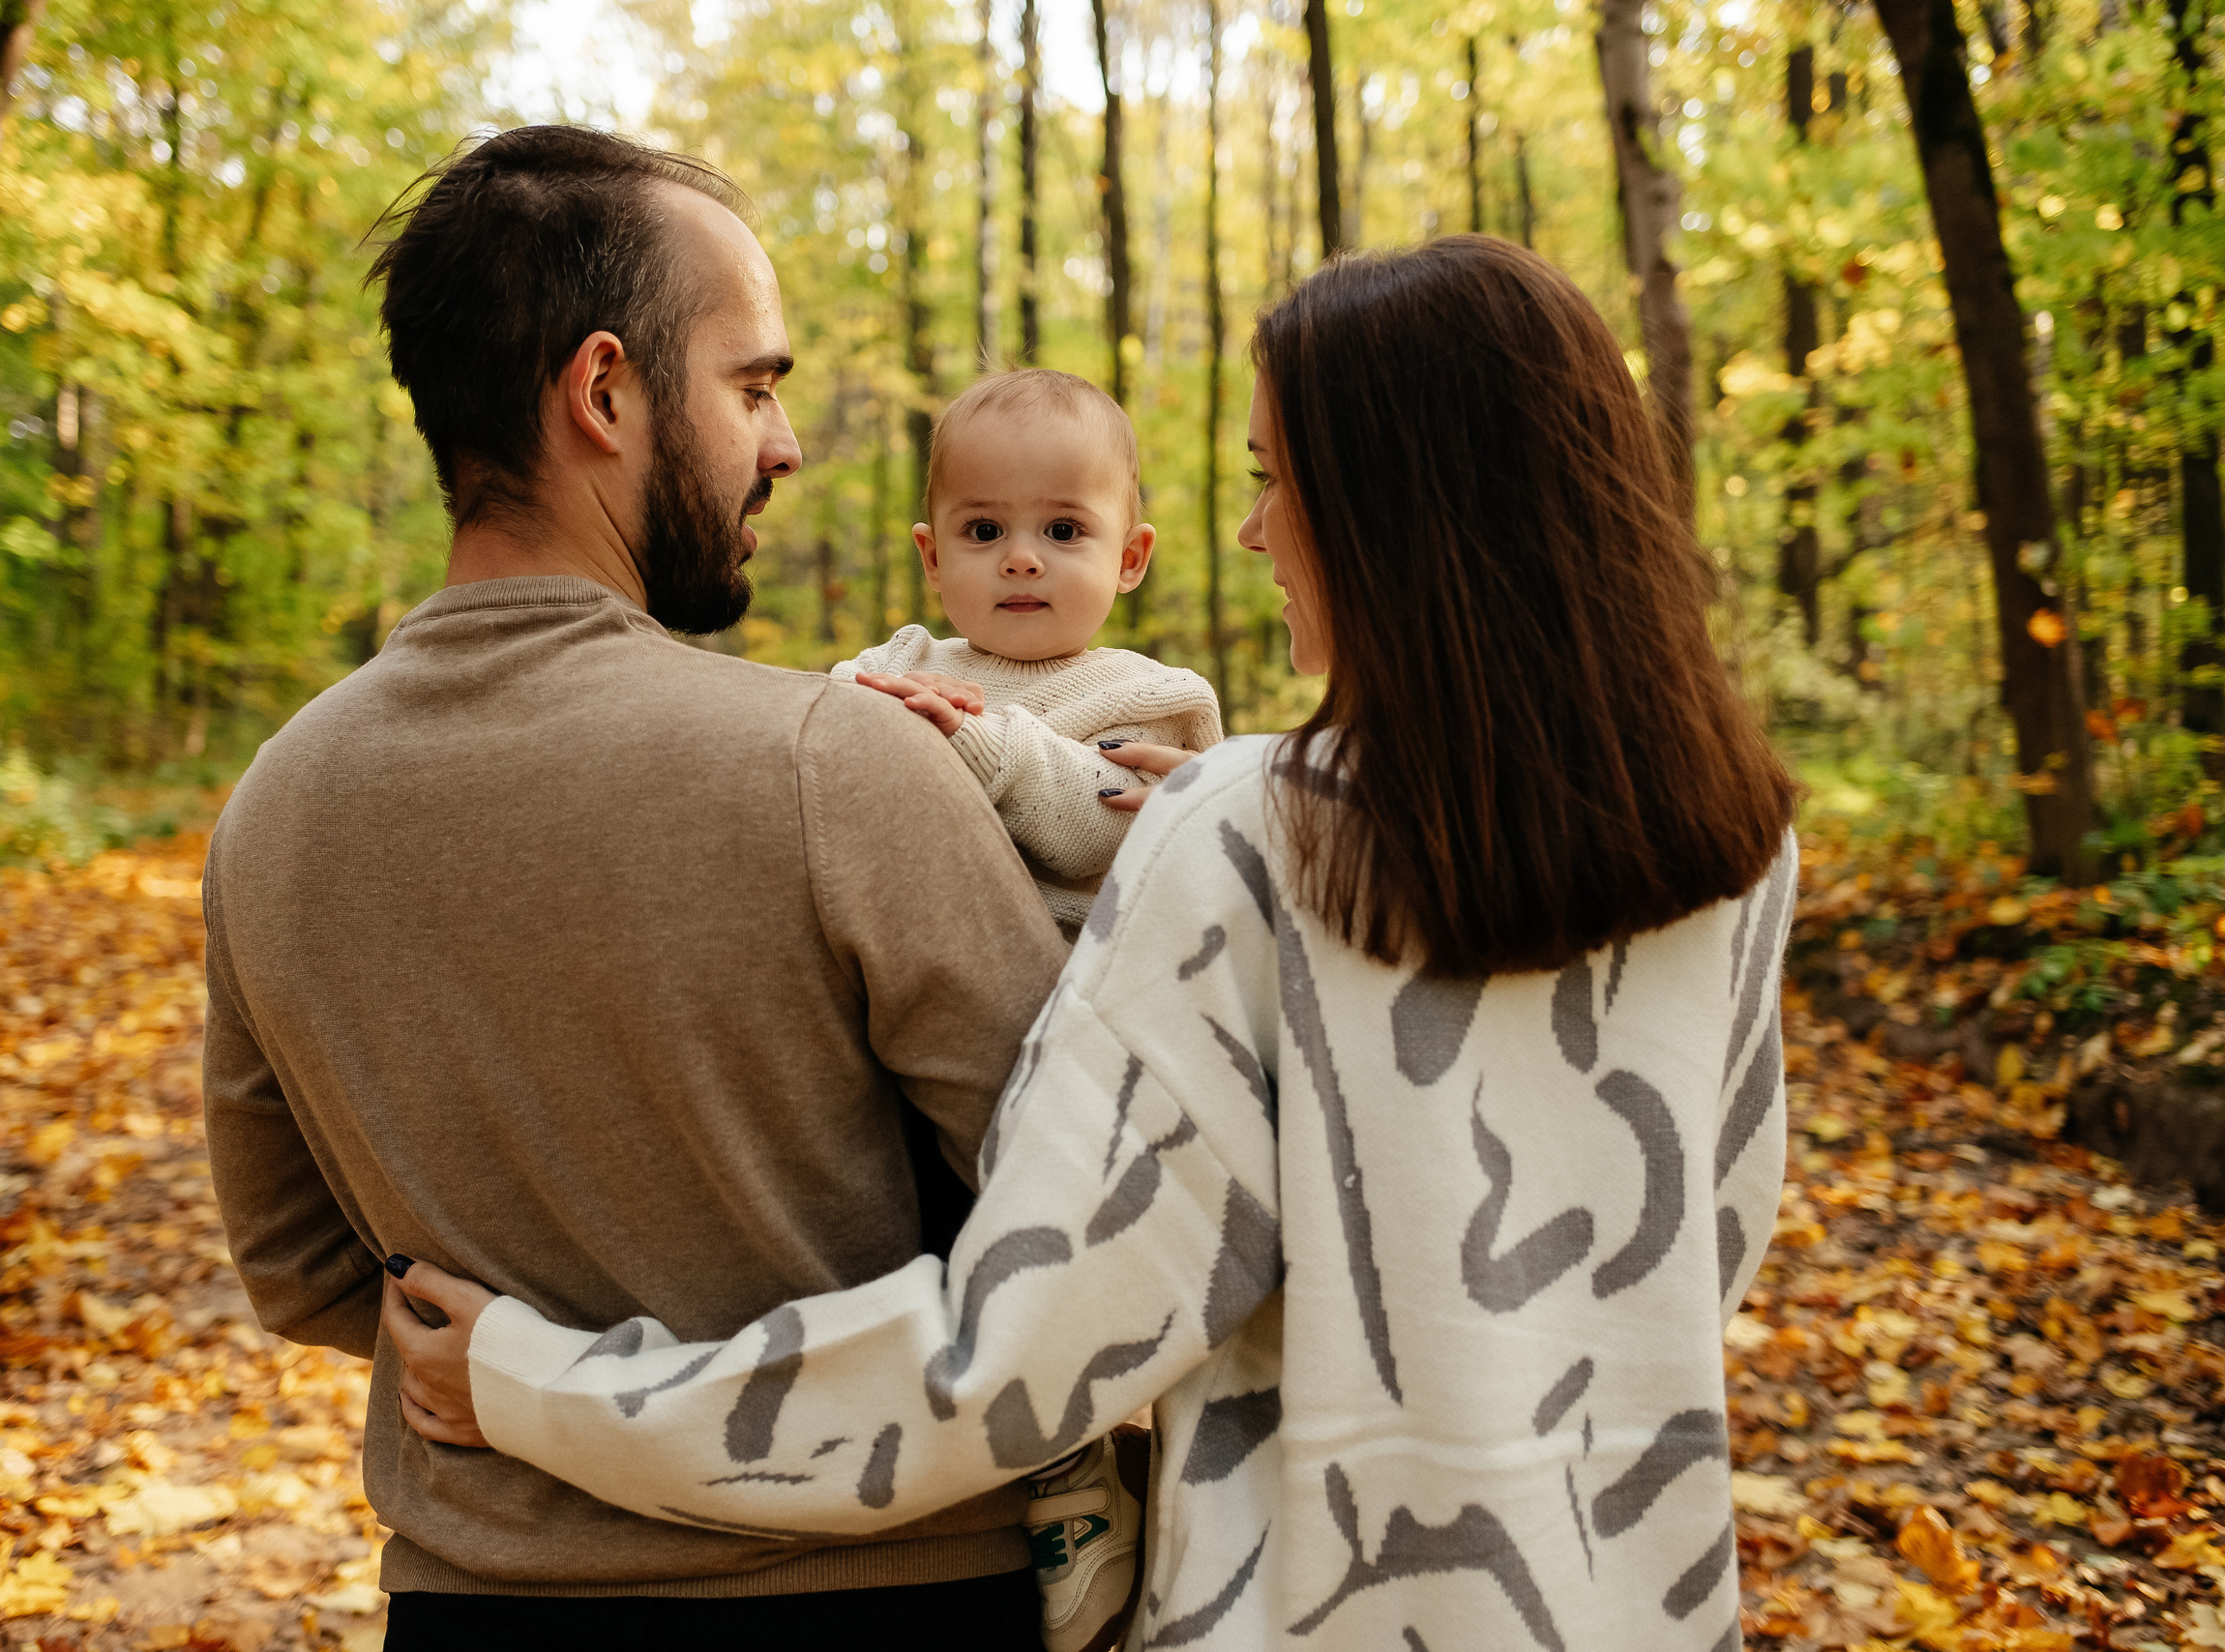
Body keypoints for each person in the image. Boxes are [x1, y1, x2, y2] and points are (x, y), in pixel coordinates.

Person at [385, 233, 1801, 1650]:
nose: (1253, 533)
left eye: (1271, 482)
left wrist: (540, 1389)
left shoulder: (1247, 836)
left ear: (1393, 510)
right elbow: (1696, 1264)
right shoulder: (1733, 846)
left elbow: (1008, 1366)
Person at [201, 125, 1068, 1648]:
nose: (784, 444)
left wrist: (537, 1380)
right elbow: (1079, 1217)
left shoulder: (273, 810)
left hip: (479, 1601)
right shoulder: (834, 766)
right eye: (753, 386)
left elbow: (294, 1271)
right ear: (604, 393)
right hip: (889, 1596)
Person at [838, 369, 1223, 937]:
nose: (1021, 559)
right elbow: (815, 746)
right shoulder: (896, 664)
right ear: (934, 557)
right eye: (985, 529)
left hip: (1059, 982)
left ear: (1129, 558)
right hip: (896, 954)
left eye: (1063, 531)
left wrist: (971, 736)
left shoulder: (1150, 696)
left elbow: (1097, 833)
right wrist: (886, 709)